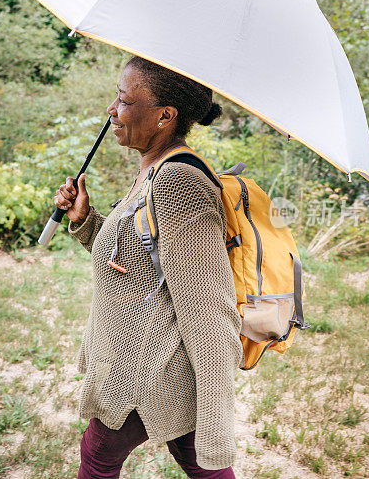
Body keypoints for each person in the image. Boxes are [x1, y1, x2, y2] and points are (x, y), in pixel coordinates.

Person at [53, 56, 243, 478]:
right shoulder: (153, 171)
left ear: (164, 116)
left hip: (148, 369)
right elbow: (138, 262)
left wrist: (216, 414)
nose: (111, 111)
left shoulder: (179, 184)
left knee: (98, 454)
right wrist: (85, 221)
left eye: (123, 100)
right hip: (153, 360)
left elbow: (209, 308)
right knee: (202, 468)